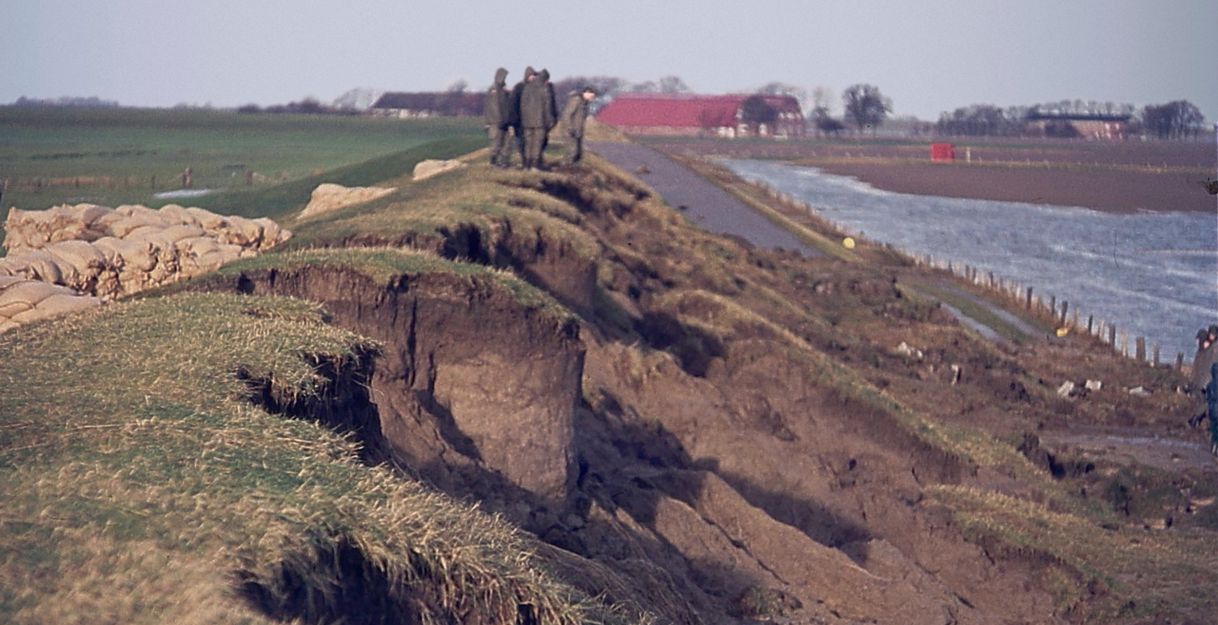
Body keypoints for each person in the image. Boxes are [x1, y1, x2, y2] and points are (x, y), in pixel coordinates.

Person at [518, 68, 553, 170]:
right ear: (545, 79)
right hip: (540, 121)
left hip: (527, 121)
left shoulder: (527, 87)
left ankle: (527, 164)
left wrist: (524, 118)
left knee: (528, 142)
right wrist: (549, 121)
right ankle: (535, 164)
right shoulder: (544, 88)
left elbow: (522, 105)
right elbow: (547, 106)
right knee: (538, 142)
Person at [560, 86, 597, 166]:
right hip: (571, 130)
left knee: (578, 153)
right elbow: (567, 115)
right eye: (592, 96)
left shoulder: (585, 103)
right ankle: (565, 167)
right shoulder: (576, 100)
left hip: (578, 131)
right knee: (572, 151)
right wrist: (569, 128)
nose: (593, 98)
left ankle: (573, 168)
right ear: (586, 93)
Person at [507, 67, 536, 169]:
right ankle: (525, 161)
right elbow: (513, 104)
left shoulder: (536, 88)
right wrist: (513, 120)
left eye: (534, 76)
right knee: (521, 142)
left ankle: (529, 162)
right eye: (532, 75)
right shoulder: (519, 87)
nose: (533, 78)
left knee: (531, 142)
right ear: (527, 75)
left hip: (531, 121)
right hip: (519, 120)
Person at [483, 68, 512, 168]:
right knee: (496, 144)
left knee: (506, 144)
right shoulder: (494, 90)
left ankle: (503, 163)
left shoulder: (502, 90)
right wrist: (501, 120)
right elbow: (495, 107)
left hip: (504, 122)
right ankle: (494, 163)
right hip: (496, 122)